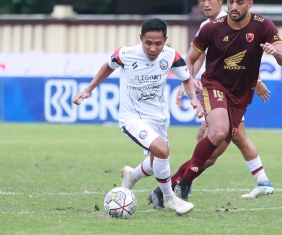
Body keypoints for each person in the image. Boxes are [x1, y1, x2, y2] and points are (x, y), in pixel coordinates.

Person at [147, 0, 276, 209]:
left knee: (217, 146)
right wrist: (186, 83)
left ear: (220, 1)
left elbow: (246, 57)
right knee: (212, 138)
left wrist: (256, 81)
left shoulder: (238, 21)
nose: (205, 4)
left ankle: (173, 185)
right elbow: (196, 58)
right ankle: (179, 185)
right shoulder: (209, 27)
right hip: (217, 91)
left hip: (236, 94)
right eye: (201, 0)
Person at [173, 0, 282, 203]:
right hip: (215, 86)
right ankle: (184, 185)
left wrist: (274, 53)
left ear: (250, 4)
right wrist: (188, 82)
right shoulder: (211, 28)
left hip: (240, 97)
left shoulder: (263, 26)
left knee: (210, 155)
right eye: (231, 2)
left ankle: (169, 186)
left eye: (240, 2)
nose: (234, 7)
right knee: (216, 133)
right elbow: (190, 60)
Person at [71, 18, 203, 215]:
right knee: (162, 150)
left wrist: (194, 98)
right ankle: (170, 199)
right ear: (141, 38)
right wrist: (89, 89)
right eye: (148, 43)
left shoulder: (171, 56)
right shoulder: (126, 54)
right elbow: (108, 66)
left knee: (154, 163)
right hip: (131, 117)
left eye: (158, 43)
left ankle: (132, 176)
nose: (153, 48)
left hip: (158, 118)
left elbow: (186, 78)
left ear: (165, 40)